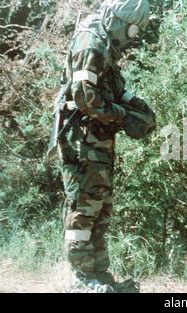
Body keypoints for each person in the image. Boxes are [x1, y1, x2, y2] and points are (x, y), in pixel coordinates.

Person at [54, 0, 156, 292]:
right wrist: (124, 117)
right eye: (132, 29)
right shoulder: (92, 43)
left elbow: (115, 90)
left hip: (97, 140)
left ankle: (99, 275)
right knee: (84, 208)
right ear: (120, 20)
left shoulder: (105, 45)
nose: (133, 37)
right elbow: (85, 98)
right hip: (82, 141)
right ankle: (82, 279)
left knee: (100, 207)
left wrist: (138, 107)